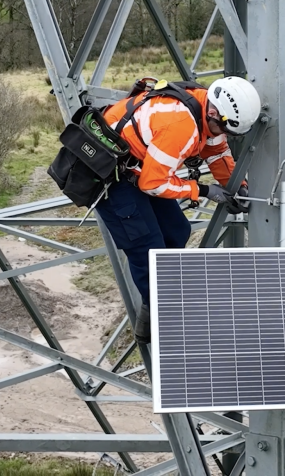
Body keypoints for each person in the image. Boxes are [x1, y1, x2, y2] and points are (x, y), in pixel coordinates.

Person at [95, 76, 259, 341]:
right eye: (225, 129)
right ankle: (157, 311)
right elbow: (153, 184)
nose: (225, 135)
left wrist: (236, 185)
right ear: (214, 113)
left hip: (139, 166)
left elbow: (216, 151)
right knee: (148, 249)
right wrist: (203, 190)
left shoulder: (207, 107)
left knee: (177, 230)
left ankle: (164, 293)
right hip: (112, 176)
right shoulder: (181, 125)